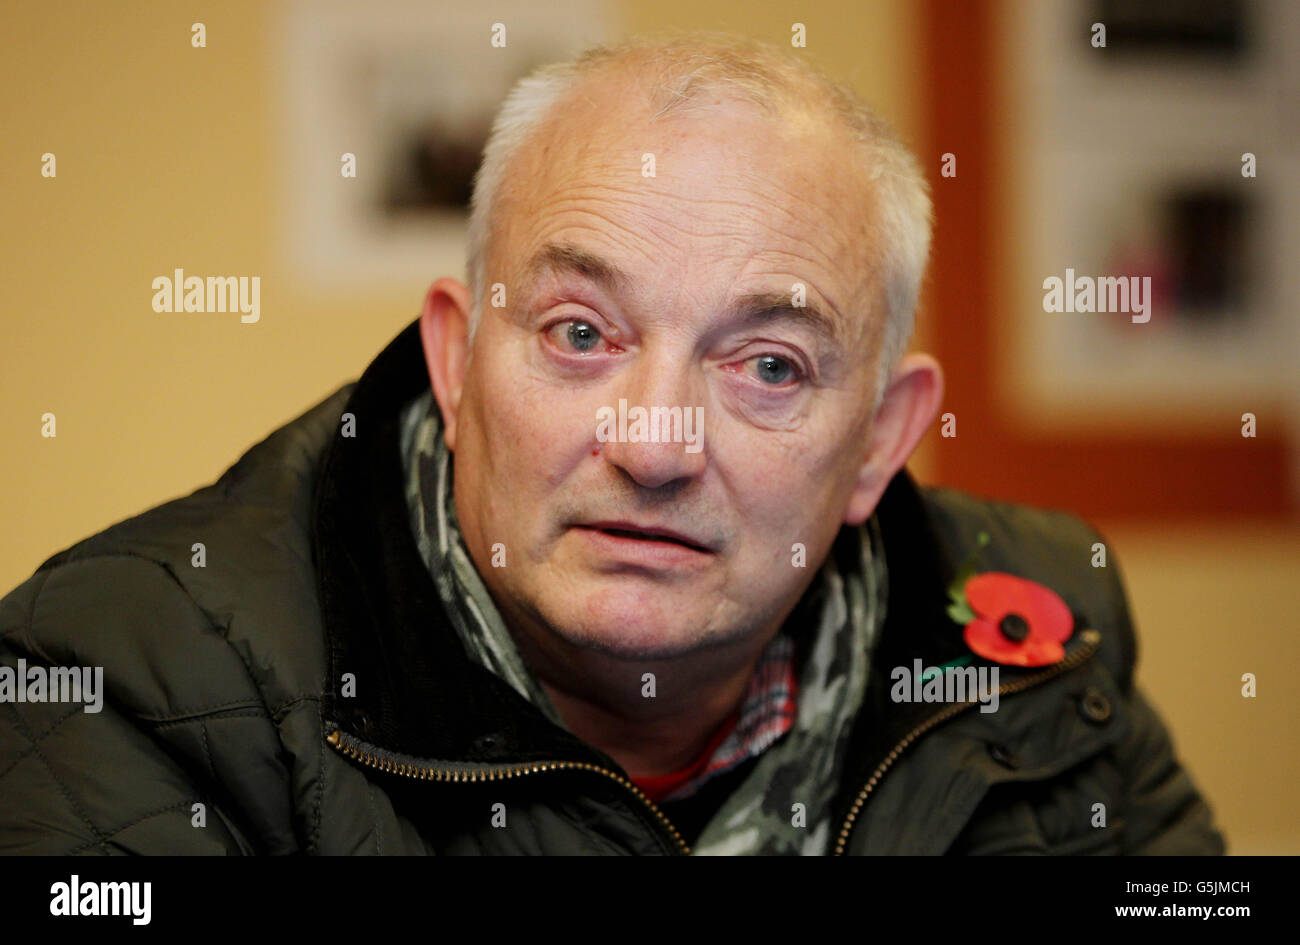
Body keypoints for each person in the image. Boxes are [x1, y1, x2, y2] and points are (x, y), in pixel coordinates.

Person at [0, 32, 1224, 855]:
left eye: (768, 365)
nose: (653, 444)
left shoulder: (1040, 640)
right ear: (455, 361)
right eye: (582, 331)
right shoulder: (128, 681)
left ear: (878, 445)